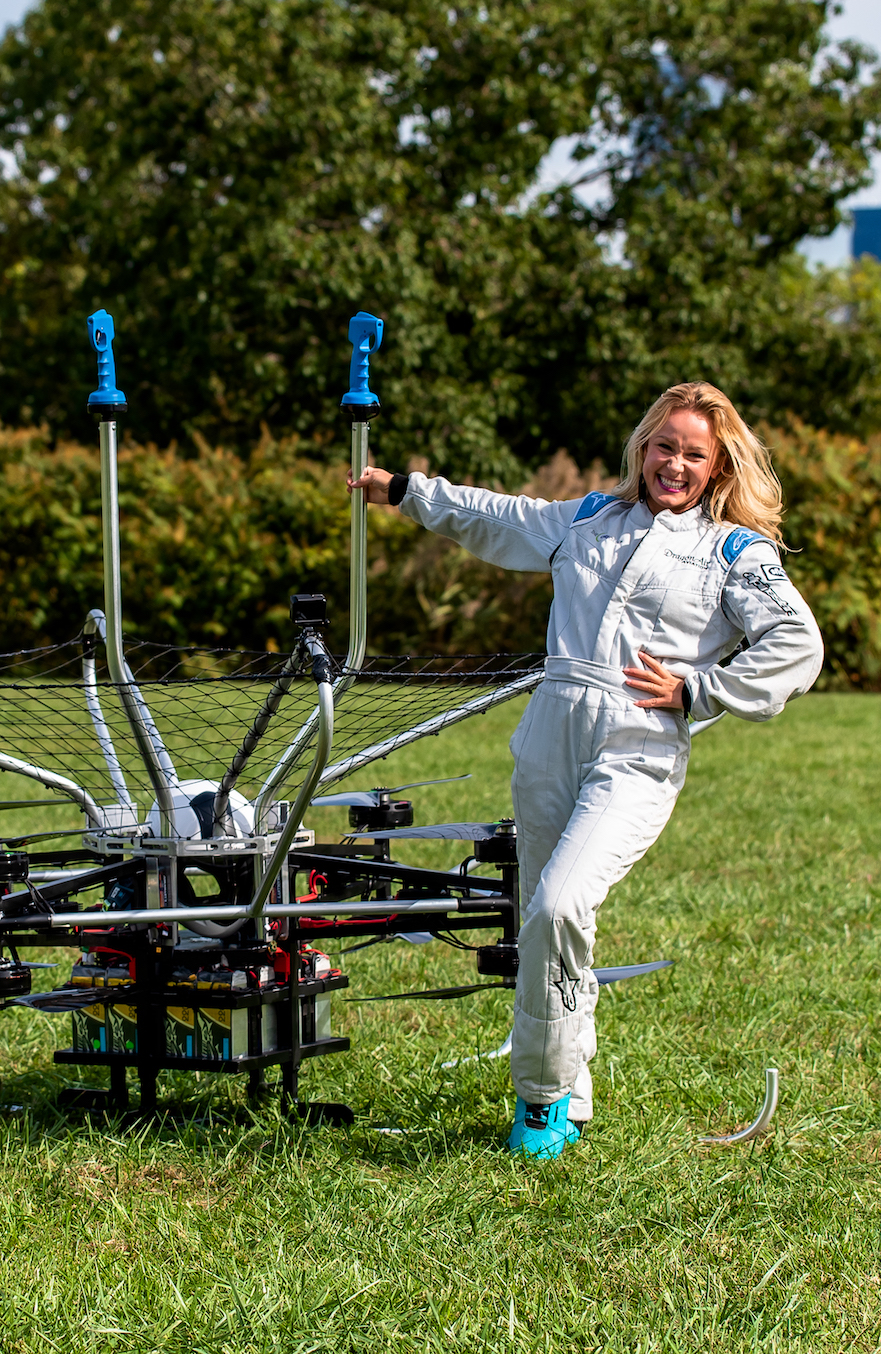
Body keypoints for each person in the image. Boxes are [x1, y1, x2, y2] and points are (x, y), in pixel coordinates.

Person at [349, 382, 823, 1159]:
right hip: (549, 739)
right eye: (664, 446)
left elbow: (797, 644)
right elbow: (498, 518)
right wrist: (405, 491)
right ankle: (572, 1089)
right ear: (644, 447)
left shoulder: (735, 550)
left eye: (693, 454)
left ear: (718, 464)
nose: (674, 463)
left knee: (562, 906)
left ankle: (538, 1104)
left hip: (637, 749)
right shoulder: (590, 518)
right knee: (545, 918)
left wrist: (700, 690)